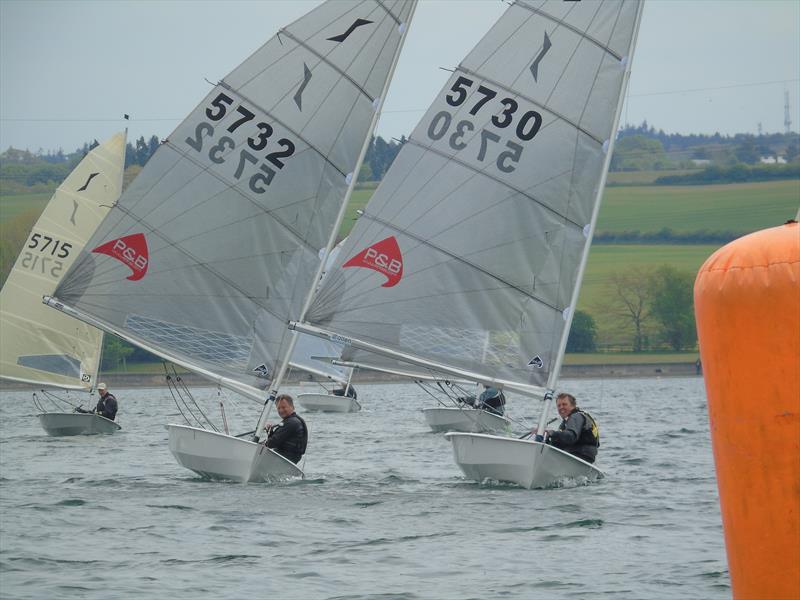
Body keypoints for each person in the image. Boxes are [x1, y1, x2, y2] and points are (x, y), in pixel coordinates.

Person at [545, 392, 599, 463]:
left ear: (573, 406)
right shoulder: (566, 423)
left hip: (579, 456)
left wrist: (553, 433)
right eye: (559, 405)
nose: (561, 407)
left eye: (564, 404)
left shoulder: (576, 417)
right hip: (581, 457)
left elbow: (570, 437)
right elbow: (561, 442)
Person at [263, 394, 308, 464]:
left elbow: (272, 443)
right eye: (278, 408)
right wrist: (270, 431)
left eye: (284, 407)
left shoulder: (292, 422)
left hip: (285, 459)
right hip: (286, 458)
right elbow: (276, 441)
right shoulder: (292, 420)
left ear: (292, 407)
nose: (281, 410)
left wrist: (259, 445)